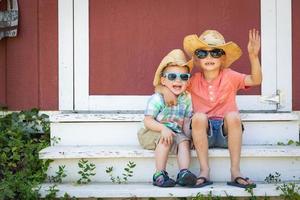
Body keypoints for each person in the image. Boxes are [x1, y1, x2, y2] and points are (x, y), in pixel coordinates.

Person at [157, 29, 262, 188]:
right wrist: (165, 90)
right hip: (202, 132)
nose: (208, 57)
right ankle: (204, 171)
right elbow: (164, 85)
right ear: (197, 60)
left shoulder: (230, 76)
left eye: (215, 53)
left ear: (223, 58)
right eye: (202, 54)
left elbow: (256, 80)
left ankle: (235, 171)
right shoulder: (192, 81)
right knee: (198, 117)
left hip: (226, 133)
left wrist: (253, 57)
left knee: (233, 115)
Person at [137, 49, 197, 187]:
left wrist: (189, 137)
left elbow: (187, 120)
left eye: (183, 77)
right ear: (163, 80)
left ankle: (183, 173)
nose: (178, 80)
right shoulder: (158, 98)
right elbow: (148, 120)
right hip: (153, 132)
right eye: (172, 77)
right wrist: (163, 128)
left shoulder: (186, 98)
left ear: (188, 81)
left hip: (174, 132)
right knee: (165, 139)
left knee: (184, 141)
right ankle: (159, 174)